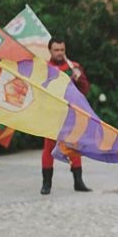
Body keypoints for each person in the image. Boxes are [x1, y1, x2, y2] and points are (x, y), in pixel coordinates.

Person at [40, 37, 92, 194]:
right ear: (50, 51)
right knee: (49, 148)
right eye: (56, 50)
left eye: (62, 50)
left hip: (71, 114)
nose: (59, 53)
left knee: (74, 146)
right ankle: (46, 184)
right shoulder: (44, 68)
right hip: (51, 114)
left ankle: (78, 182)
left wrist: (79, 78)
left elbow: (84, 90)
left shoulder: (73, 67)